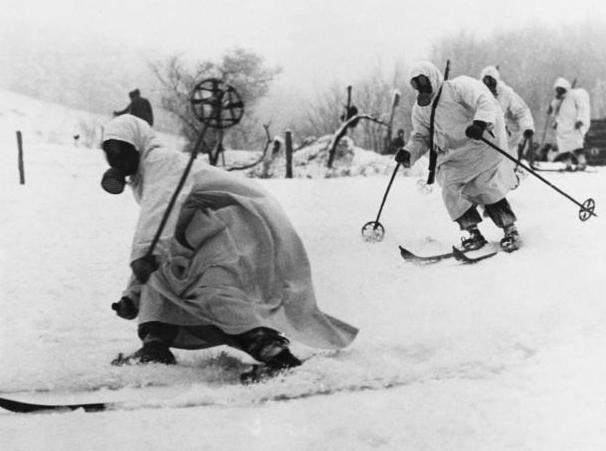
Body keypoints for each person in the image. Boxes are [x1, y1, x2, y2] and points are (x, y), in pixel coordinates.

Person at [101, 115, 358, 382]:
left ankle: (278, 357)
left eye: (121, 150)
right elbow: (157, 232)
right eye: (109, 153)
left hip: (237, 223)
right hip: (204, 232)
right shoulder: (145, 177)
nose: (116, 160)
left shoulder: (160, 161)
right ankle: (155, 346)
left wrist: (144, 255)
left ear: (138, 145)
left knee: (215, 292)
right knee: (160, 276)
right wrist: (133, 293)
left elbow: (158, 213)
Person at [394, 61, 520, 252]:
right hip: (454, 157)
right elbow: (421, 136)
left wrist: (480, 123)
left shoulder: (459, 87)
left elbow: (484, 101)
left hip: (481, 147)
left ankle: (510, 229)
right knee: (451, 190)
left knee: (485, 187)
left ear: (432, 77)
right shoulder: (420, 110)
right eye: (416, 83)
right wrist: (409, 151)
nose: (421, 86)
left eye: (423, 80)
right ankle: (473, 233)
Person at [479, 66, 535, 158]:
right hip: (486, 137)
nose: (490, 88)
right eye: (486, 86)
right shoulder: (479, 94)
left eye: (492, 84)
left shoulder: (506, 94)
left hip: (505, 138)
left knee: (506, 159)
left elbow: (521, 111)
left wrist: (527, 127)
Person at [548, 77, 591, 171]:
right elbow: (554, 113)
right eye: (558, 89)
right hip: (562, 126)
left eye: (561, 88)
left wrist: (580, 120)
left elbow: (582, 107)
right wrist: (555, 120)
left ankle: (582, 163)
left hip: (573, 125)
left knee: (576, 145)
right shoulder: (558, 99)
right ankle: (568, 165)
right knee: (563, 147)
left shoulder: (574, 95)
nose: (559, 91)